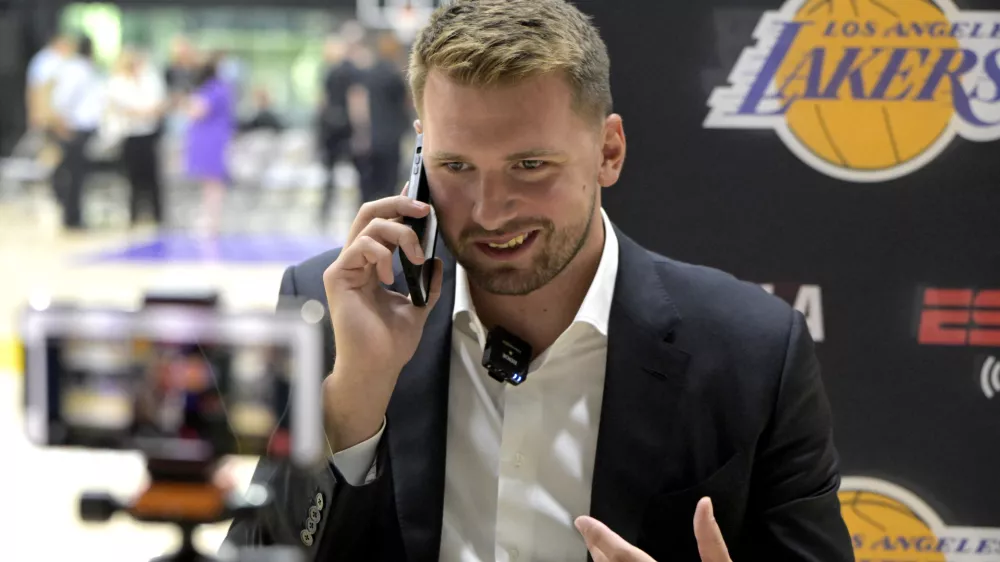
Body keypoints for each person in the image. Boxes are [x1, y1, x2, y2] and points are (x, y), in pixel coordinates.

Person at [224, 1, 853, 561]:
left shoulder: (754, 352)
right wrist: (357, 392)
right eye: (455, 165)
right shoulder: (332, 307)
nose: (490, 209)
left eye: (530, 165)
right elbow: (261, 549)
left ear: (608, 152)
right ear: (418, 156)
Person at [106, 48, 168, 228]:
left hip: (149, 133)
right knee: (133, 178)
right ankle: (134, 215)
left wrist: (145, 112)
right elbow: (121, 108)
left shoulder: (150, 80)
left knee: (153, 177)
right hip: (129, 134)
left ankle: (157, 216)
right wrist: (142, 112)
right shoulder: (117, 82)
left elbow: (158, 106)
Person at [51, 35, 104, 232]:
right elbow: (63, 99)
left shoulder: (86, 69)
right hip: (75, 129)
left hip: (84, 127)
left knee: (79, 176)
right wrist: (63, 124)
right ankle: (71, 216)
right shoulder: (76, 70)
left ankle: (75, 215)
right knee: (73, 176)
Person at [316, 30, 366, 228]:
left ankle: (326, 210)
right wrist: (361, 128)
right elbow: (356, 99)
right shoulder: (352, 72)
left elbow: (322, 102)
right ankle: (358, 209)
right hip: (346, 126)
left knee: (329, 171)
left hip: (330, 125)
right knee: (358, 169)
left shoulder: (329, 71)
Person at [355, 31, 410, 203]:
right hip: (392, 135)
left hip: (372, 134)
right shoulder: (395, 76)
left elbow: (360, 103)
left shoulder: (369, 74)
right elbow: (407, 102)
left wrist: (361, 130)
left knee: (371, 183)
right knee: (390, 184)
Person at [184, 53, 234, 236]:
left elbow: (198, 111)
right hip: (210, 139)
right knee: (209, 184)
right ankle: (209, 220)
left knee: (213, 183)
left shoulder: (214, 89)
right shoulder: (216, 89)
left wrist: (187, 102)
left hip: (211, 141)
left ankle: (212, 222)